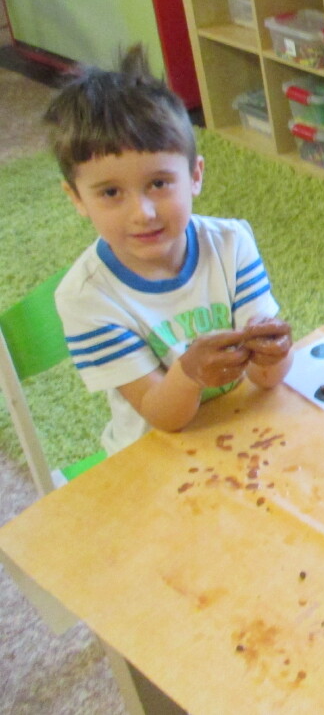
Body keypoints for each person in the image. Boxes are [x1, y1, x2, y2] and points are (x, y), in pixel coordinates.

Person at [45, 46, 294, 455]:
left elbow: (268, 379)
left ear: (195, 175)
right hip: (154, 452)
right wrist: (190, 372)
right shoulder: (86, 299)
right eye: (110, 192)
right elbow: (162, 416)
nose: (142, 213)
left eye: (159, 183)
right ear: (76, 198)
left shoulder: (231, 243)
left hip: (236, 427)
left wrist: (274, 351)